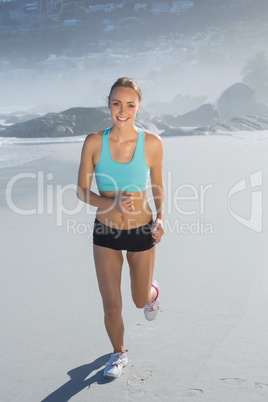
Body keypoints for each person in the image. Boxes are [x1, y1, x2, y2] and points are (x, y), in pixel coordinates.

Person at [77, 77, 165, 380]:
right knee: (112, 306)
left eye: (130, 104)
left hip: (142, 231)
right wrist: (113, 205)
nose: (122, 110)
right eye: (117, 103)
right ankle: (119, 352)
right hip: (106, 233)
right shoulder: (93, 141)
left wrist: (161, 218)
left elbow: (158, 186)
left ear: (138, 107)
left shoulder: (152, 143)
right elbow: (81, 192)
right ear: (109, 104)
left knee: (139, 299)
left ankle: (153, 292)